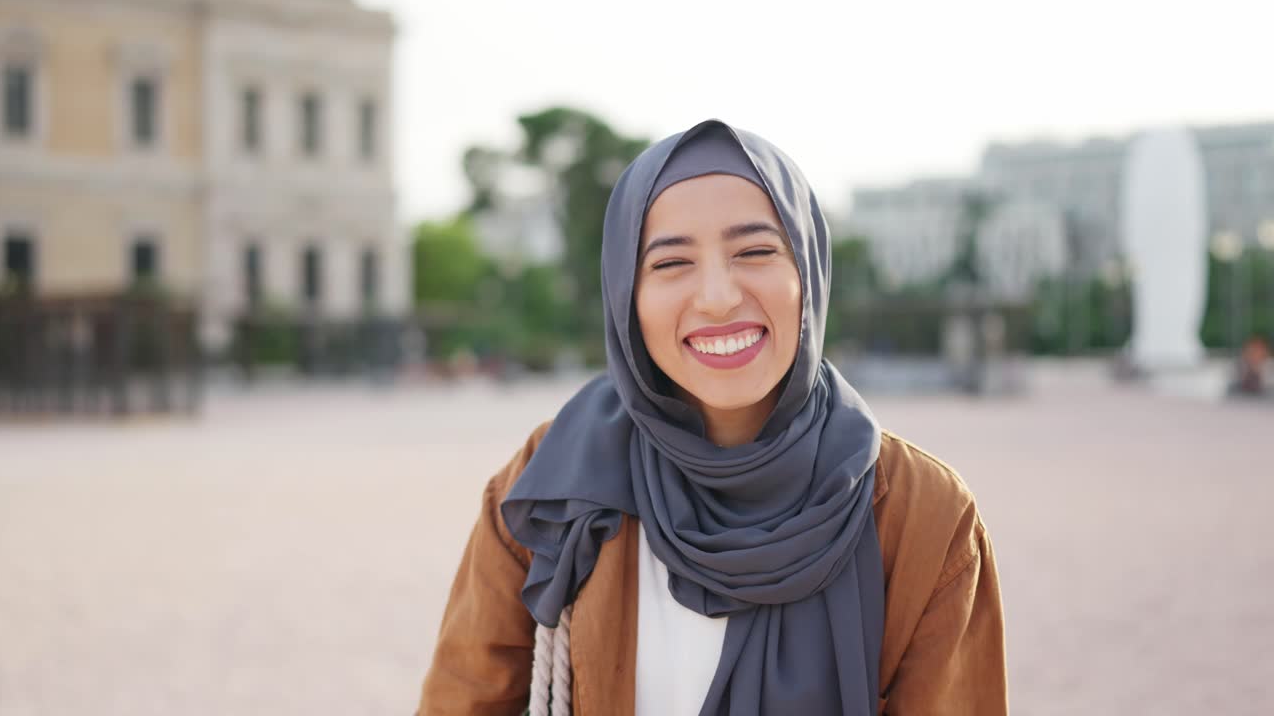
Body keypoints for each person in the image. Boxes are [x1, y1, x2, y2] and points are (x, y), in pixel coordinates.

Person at [417, 120, 1007, 715]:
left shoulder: (922, 516)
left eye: (755, 251)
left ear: (808, 272)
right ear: (627, 296)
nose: (719, 297)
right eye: (671, 263)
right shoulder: (552, 486)